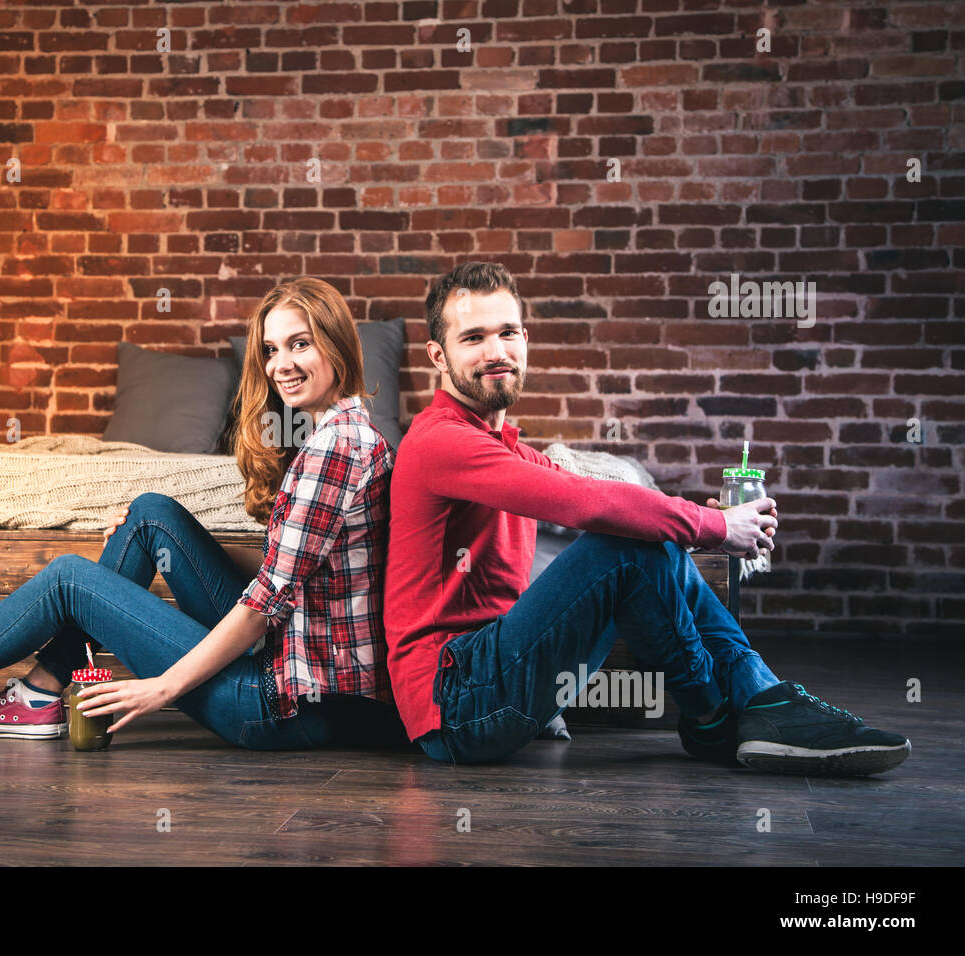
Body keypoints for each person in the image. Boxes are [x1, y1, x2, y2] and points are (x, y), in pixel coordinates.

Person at [0, 277, 404, 750]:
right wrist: (158, 545)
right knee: (151, 513)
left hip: (278, 705)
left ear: (337, 343)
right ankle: (38, 694)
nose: (280, 365)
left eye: (300, 344)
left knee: (70, 580)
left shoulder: (333, 448)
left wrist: (160, 689)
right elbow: (293, 569)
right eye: (271, 350)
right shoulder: (346, 432)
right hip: (293, 666)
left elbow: (264, 601)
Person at [383, 260, 910, 775]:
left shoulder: (504, 447)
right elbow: (582, 503)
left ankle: (762, 695)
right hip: (455, 703)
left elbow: (597, 491)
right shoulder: (441, 442)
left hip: (491, 682)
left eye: (508, 333)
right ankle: (716, 716)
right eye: (473, 338)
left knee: (645, 536)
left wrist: (684, 517)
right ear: (438, 355)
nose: (496, 352)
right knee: (623, 546)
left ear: (526, 340)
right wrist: (718, 529)